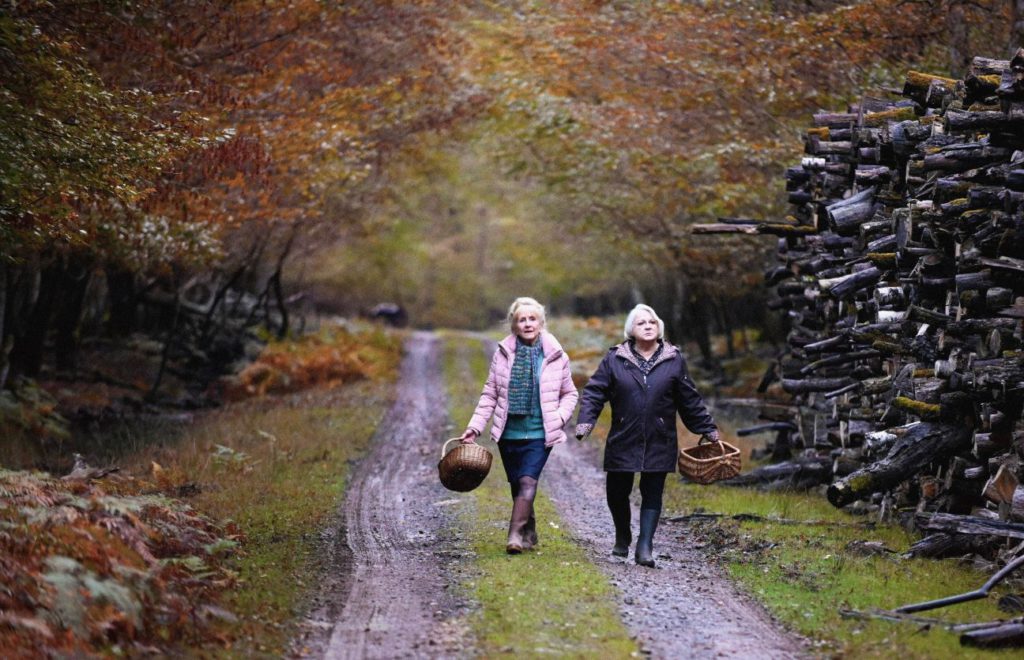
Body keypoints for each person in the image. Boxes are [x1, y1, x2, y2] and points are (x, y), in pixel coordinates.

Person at [575, 304, 719, 567]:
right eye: (642, 323)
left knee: (653, 490)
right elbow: (595, 391)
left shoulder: (674, 358)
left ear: (659, 327)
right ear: (632, 329)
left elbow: (689, 398)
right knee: (617, 491)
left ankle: (645, 546)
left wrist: (707, 428)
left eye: (652, 322)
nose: (648, 326)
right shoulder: (615, 358)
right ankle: (622, 535)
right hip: (623, 434)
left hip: (660, 436)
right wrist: (586, 421)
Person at [461, 297, 579, 554]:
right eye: (521, 320)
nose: (527, 324)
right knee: (517, 483)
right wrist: (475, 427)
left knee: (528, 481)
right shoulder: (503, 354)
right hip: (509, 432)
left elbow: (570, 393)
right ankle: (529, 529)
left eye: (532, 319)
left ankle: (514, 534)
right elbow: (490, 394)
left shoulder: (556, 355)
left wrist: (559, 418)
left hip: (540, 431)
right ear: (514, 325)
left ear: (541, 323)